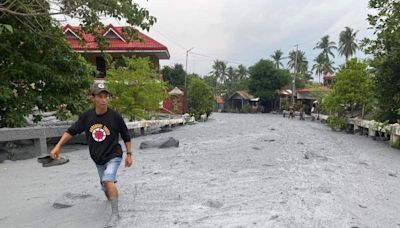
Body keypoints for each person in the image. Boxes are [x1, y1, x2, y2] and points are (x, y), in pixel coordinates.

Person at [50, 82, 133, 227]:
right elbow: (71, 131)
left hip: (114, 155)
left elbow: (126, 135)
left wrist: (129, 154)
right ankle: (111, 191)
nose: (103, 100)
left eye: (105, 96)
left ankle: (115, 215)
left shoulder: (115, 116)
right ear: (93, 98)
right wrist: (58, 146)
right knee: (106, 188)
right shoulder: (86, 116)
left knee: (108, 180)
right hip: (98, 159)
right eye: (100, 96)